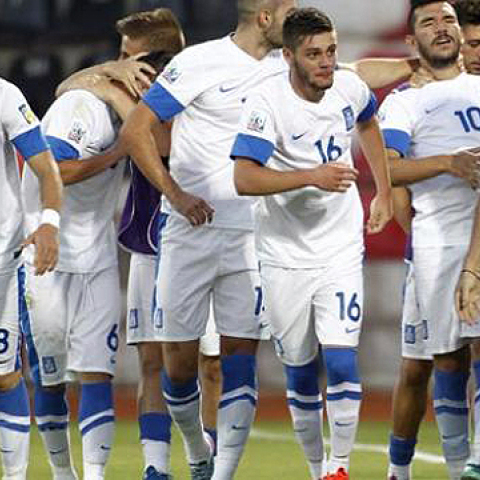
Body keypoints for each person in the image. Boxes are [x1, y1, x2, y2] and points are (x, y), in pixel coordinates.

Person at [57, 9, 222, 479]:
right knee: (151, 359)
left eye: (130, 56)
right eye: (120, 55)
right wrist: (110, 75)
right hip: (149, 241)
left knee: (209, 362)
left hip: (207, 238)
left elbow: (159, 142)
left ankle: (205, 455)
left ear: (159, 59)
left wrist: (113, 91)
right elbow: (65, 88)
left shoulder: (198, 92)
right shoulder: (128, 88)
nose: (122, 64)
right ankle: (156, 467)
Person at [230, 8, 392, 480]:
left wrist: (384, 190)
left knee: (340, 359)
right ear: (289, 56)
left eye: (331, 51)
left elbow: (369, 122)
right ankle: (316, 466)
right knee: (300, 370)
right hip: (283, 254)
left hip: (339, 246)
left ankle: (338, 468)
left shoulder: (348, 86)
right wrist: (311, 177)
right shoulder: (267, 102)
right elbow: (244, 178)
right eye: (314, 54)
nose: (326, 62)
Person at [379, 1, 480, 479]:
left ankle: (473, 462)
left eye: (448, 20)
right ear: (411, 40)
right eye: (428, 22)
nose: (441, 29)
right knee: (444, 362)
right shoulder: (404, 101)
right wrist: (448, 163)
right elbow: (387, 169)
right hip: (436, 243)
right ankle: (447, 467)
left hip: (476, 237)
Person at [0, 79, 62, 480]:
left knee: (5, 376)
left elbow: (45, 167)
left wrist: (49, 222)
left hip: (1, 257)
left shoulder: (4, 95)